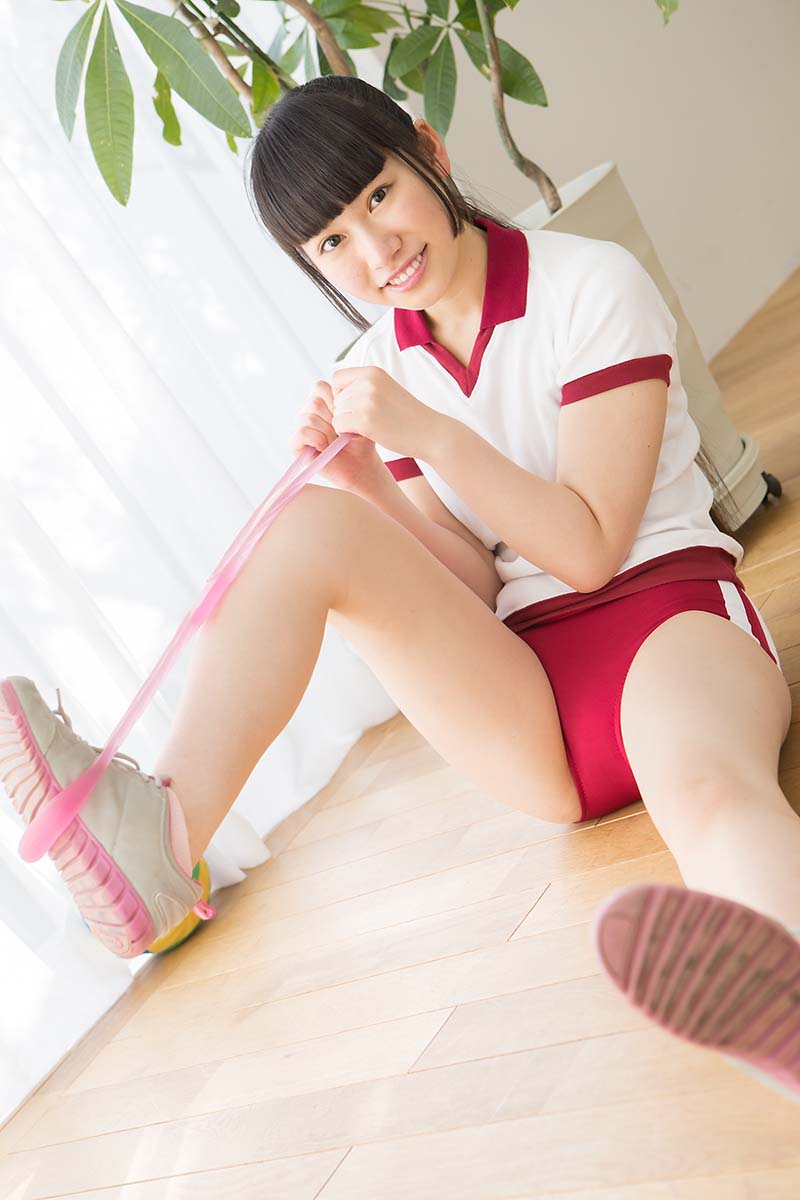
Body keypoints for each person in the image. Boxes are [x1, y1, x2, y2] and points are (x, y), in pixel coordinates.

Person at [2, 75, 798, 1102]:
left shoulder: (589, 285)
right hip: (525, 699)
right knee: (311, 522)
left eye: (379, 194)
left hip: (664, 619)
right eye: (332, 241)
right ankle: (166, 835)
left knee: (704, 791)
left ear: (430, 150)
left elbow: (591, 551)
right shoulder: (387, 363)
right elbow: (476, 581)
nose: (376, 252)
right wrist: (369, 484)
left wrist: (421, 433)